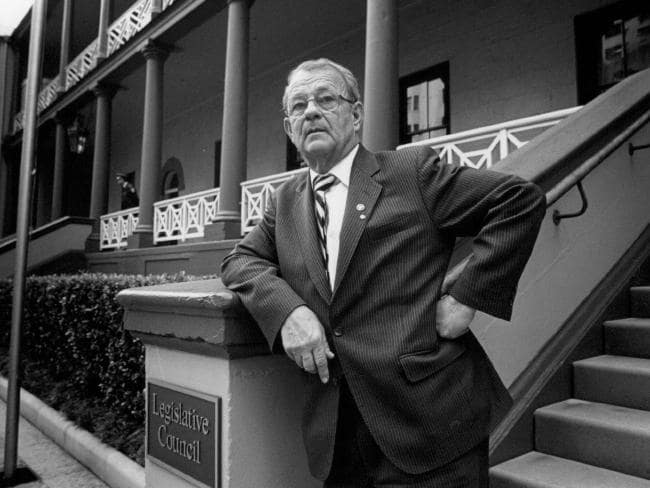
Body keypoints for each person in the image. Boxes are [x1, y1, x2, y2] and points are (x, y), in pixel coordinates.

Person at [221, 58, 546, 487]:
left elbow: (518, 200)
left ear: (355, 114)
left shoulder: (410, 173)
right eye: (298, 106)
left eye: (325, 99)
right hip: (338, 439)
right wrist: (288, 312)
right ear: (289, 128)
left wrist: (467, 298)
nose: (311, 112)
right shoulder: (283, 203)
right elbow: (240, 262)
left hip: (430, 424)